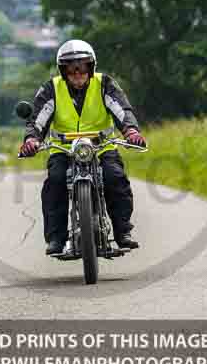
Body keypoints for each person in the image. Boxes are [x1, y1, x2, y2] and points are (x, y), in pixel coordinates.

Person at [19, 39, 147, 255]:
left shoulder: (105, 84)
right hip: (64, 149)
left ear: (91, 66)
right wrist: (32, 140)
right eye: (72, 68)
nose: (77, 72)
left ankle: (123, 231)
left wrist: (131, 131)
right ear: (63, 70)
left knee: (115, 177)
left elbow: (121, 109)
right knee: (55, 181)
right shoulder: (52, 89)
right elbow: (37, 119)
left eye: (82, 66)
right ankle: (56, 239)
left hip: (102, 146)